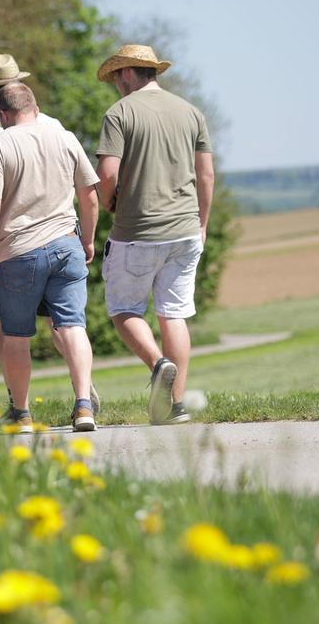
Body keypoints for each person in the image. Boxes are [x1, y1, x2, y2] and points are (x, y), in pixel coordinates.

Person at [0, 54, 98, 416]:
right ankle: (83, 403)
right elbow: (90, 195)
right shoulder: (64, 136)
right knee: (72, 325)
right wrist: (87, 239)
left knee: (16, 335)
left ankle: (20, 412)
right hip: (67, 243)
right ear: (34, 106)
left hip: (19, 251)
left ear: (2, 114)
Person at [94, 44, 214, 425]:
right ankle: (173, 406)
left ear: (128, 73)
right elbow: (206, 175)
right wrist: (202, 223)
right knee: (174, 315)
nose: (115, 83)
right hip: (185, 229)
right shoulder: (190, 111)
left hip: (138, 230)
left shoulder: (120, 114)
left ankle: (157, 363)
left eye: (116, 76)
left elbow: (108, 174)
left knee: (124, 309)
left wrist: (110, 201)